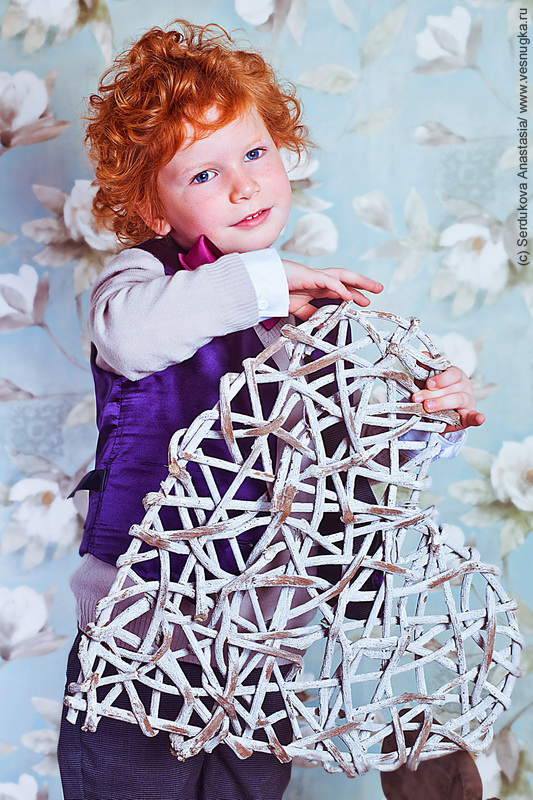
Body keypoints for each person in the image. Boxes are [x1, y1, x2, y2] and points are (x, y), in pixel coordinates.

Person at [57, 19, 485, 800]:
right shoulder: (140, 284)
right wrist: (264, 281)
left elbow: (347, 460)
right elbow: (129, 338)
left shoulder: (309, 319)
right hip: (142, 636)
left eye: (254, 154)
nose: (243, 185)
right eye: (203, 173)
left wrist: (427, 417)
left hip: (263, 644)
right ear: (153, 209)